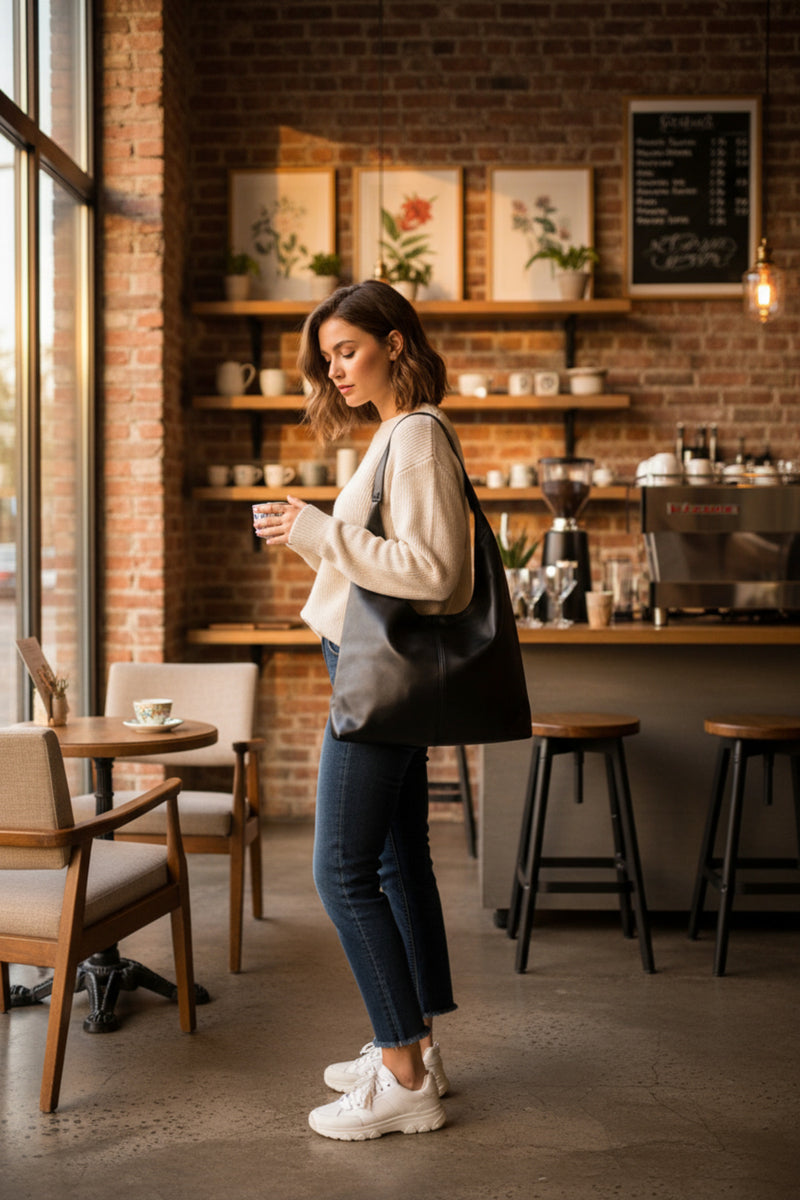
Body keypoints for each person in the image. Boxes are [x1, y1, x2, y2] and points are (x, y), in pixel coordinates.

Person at [253, 279, 472, 1141]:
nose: (335, 369)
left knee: (340, 872)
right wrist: (317, 537)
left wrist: (314, 531)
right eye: (328, 357)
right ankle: (415, 1047)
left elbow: (433, 573)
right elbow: (398, 563)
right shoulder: (399, 434)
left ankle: (402, 1069)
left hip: (378, 679)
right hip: (378, 670)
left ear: (394, 341)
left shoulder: (413, 437)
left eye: (347, 350)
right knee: (393, 862)